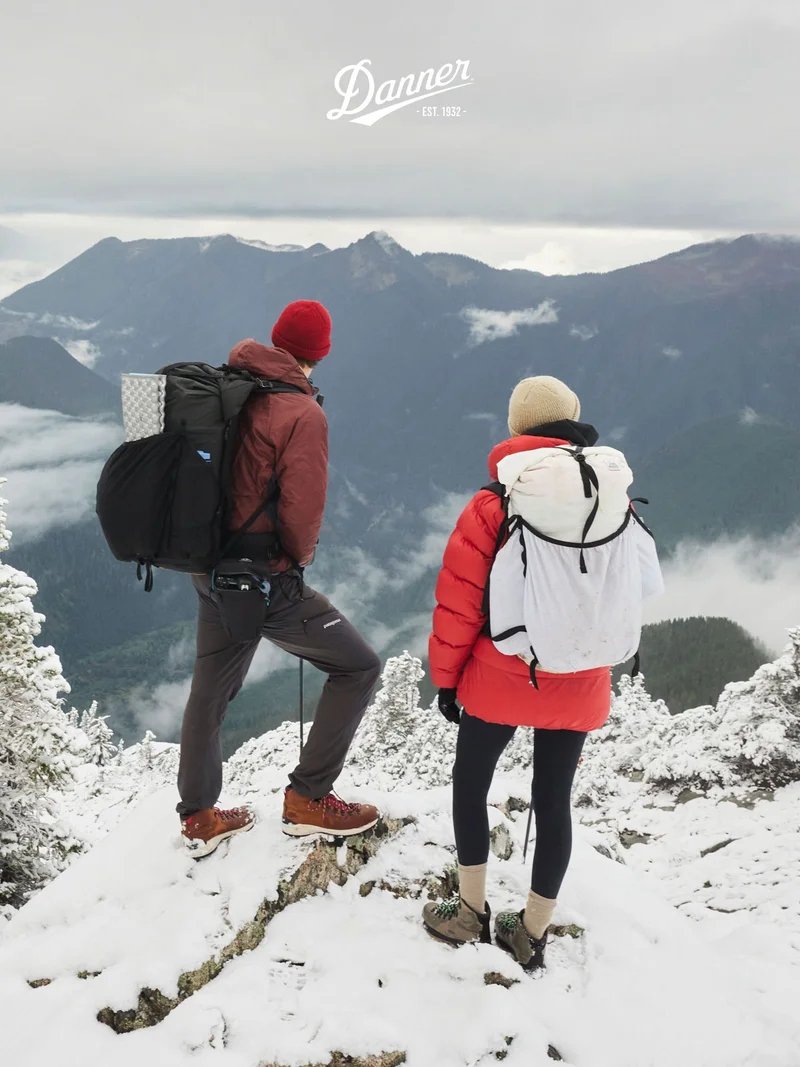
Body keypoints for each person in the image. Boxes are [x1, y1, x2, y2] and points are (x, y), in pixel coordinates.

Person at [422, 375, 613, 972]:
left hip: (500, 678)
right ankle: (531, 931)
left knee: (471, 780)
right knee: (553, 800)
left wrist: (447, 682)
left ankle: (470, 912)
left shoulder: (491, 504)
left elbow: (460, 606)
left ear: (515, 429)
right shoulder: (612, 498)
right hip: (580, 676)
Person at [178, 300, 382, 857]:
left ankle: (198, 816)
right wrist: (295, 561)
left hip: (208, 567)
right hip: (264, 576)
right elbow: (301, 506)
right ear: (321, 354)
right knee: (359, 666)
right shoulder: (301, 412)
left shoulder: (228, 385)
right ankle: (308, 800)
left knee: (211, 689)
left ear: (275, 340)